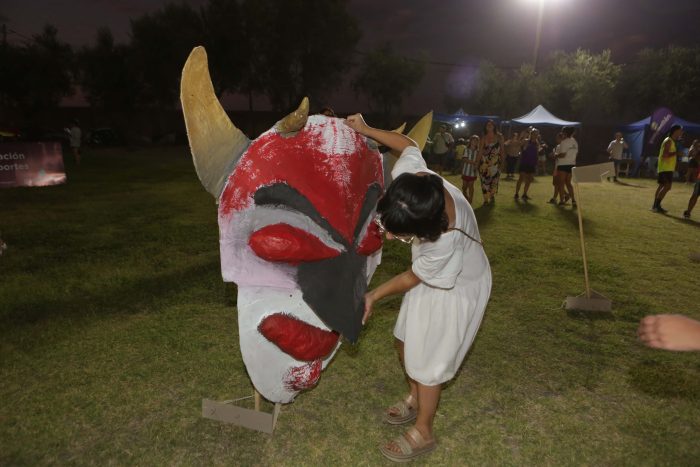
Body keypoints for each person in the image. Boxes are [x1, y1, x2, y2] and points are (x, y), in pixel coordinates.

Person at [344, 113, 491, 463]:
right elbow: (409, 145)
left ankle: (424, 430)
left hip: (458, 286)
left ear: (427, 227)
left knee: (429, 362)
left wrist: (373, 295)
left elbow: (414, 276)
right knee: (404, 340)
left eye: (401, 234)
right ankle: (415, 396)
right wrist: (366, 130)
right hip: (431, 275)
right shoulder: (416, 184)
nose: (391, 236)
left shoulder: (444, 239)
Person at [652, 125, 683, 213]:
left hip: (666, 168)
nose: (681, 132)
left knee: (662, 186)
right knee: (667, 186)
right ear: (675, 131)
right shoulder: (668, 141)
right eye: (680, 131)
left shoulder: (671, 141)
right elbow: (665, 155)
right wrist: (676, 153)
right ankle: (656, 206)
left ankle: (655, 206)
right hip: (665, 168)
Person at [474, 120, 503, 205]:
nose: (489, 126)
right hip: (484, 164)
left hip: (495, 163)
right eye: (487, 125)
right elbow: (480, 152)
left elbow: (502, 150)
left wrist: (503, 162)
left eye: (491, 125)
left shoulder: (499, 137)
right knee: (484, 181)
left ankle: (492, 195)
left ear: (494, 126)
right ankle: (486, 199)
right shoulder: (483, 138)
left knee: (494, 181)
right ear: (485, 127)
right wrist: (476, 163)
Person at [554, 126, 578, 207]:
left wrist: (555, 155)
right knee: (568, 183)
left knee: (561, 183)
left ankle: (561, 201)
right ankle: (574, 201)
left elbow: (562, 155)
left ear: (565, 133)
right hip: (572, 164)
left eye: (563, 132)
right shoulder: (574, 141)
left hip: (563, 164)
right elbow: (576, 153)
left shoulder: (564, 142)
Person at [514, 128, 539, 201]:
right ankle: (516, 193)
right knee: (521, 178)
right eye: (534, 134)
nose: (535, 135)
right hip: (524, 162)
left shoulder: (537, 143)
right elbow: (518, 145)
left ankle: (524, 194)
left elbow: (536, 153)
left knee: (529, 179)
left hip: (532, 163)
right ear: (531, 134)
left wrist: (536, 163)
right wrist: (521, 138)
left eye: (536, 134)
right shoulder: (526, 141)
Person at [548, 132, 566, 204]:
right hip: (559, 166)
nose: (556, 139)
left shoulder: (560, 146)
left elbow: (557, 156)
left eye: (558, 138)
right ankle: (555, 198)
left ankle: (561, 198)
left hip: (559, 167)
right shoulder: (561, 146)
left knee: (557, 184)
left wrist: (552, 155)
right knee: (557, 184)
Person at [461, 135, 479, 203]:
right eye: (474, 140)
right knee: (464, 187)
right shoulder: (466, 149)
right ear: (470, 141)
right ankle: (465, 196)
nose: (475, 142)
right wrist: (475, 162)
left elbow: (479, 160)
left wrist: (477, 164)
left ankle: (470, 199)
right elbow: (465, 159)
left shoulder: (478, 151)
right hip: (466, 171)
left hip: (473, 172)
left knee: (471, 186)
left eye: (477, 140)